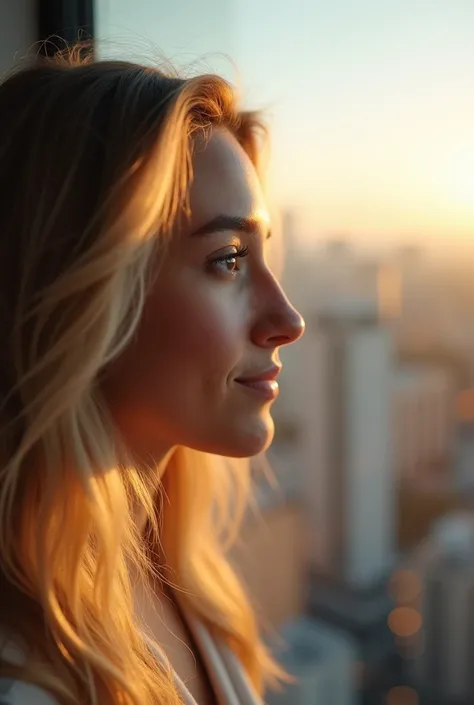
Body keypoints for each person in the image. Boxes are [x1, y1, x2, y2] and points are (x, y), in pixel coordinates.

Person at [0, 44, 305, 705]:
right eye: (227, 260)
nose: (287, 318)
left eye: (262, 254)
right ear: (85, 295)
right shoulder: (24, 679)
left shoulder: (176, 571)